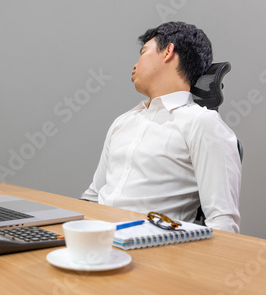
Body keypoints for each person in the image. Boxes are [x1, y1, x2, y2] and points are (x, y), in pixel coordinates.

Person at [81, 21, 241, 233]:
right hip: (96, 238)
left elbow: (222, 222)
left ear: (168, 52)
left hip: (153, 250)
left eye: (144, 52)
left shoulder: (202, 123)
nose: (134, 65)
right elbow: (92, 196)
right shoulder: (123, 122)